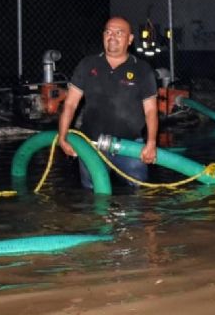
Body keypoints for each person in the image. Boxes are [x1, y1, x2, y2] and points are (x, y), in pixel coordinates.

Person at [58, 16, 158, 189]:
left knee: (140, 195)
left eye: (119, 33)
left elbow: (151, 111)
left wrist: (151, 143)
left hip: (131, 146)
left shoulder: (142, 69)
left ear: (130, 39)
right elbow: (70, 104)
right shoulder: (88, 64)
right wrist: (63, 136)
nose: (112, 37)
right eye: (108, 32)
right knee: (92, 194)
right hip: (92, 144)